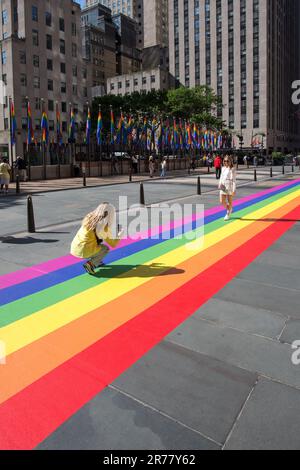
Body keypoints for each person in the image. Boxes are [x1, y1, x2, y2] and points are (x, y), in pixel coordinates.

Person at [71, 202, 124, 275]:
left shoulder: (89, 217)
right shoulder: (102, 226)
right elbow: (113, 244)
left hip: (75, 247)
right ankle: (91, 264)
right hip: (85, 250)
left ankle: (97, 261)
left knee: (97, 243)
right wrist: (120, 234)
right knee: (105, 248)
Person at [219, 155, 237, 221]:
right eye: (224, 161)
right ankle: (229, 208)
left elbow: (234, 180)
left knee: (229, 201)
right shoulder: (223, 168)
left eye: (227, 161)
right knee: (221, 201)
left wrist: (234, 189)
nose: (225, 162)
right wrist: (219, 184)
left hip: (229, 185)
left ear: (230, 161)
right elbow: (221, 177)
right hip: (223, 185)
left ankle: (228, 214)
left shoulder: (232, 169)